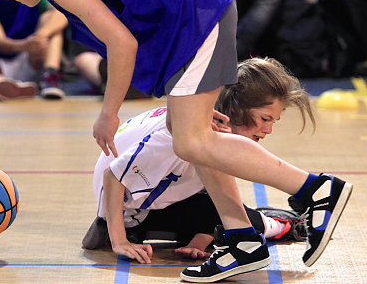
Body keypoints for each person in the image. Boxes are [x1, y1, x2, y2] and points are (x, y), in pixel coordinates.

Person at [0, 0, 352, 282]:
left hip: (197, 12)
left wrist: (108, 114)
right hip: (193, 10)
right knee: (187, 137)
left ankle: (317, 189)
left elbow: (121, 43)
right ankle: (242, 240)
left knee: (191, 140)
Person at [82, 57, 310, 263]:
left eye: (274, 122)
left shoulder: (202, 121)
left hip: (141, 202)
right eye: (265, 118)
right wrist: (119, 240)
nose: (269, 129)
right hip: (127, 208)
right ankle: (282, 226)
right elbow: (112, 176)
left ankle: (126, 227)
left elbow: (209, 195)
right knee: (238, 218)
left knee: (223, 212)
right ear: (235, 108)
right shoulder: (181, 136)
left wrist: (197, 243)